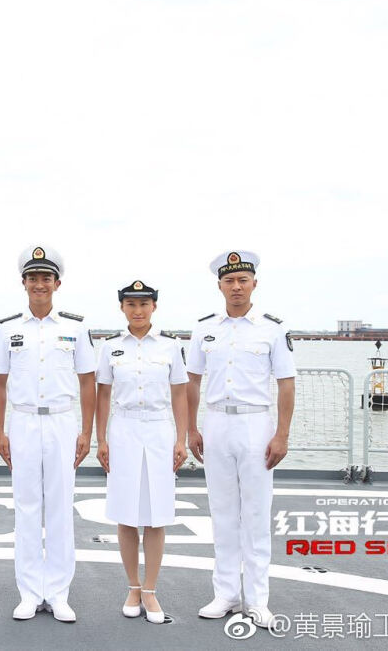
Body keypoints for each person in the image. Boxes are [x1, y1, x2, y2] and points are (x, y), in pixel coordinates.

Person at [186, 250, 295, 629]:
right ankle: (226, 593)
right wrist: (190, 429)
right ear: (219, 285)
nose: (236, 287)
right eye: (229, 281)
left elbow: (286, 384)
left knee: (255, 514)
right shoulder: (204, 328)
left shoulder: (272, 329)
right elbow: (192, 382)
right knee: (222, 513)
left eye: (243, 280)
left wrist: (281, 434)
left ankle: (258, 599)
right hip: (216, 424)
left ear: (254, 284)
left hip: (254, 425)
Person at [0, 244, 97, 623]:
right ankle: (30, 592)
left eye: (46, 278)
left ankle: (58, 592)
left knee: (59, 507)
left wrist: (87, 431)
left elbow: (88, 382)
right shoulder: (7, 330)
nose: (40, 284)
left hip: (61, 422)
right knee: (26, 507)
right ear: (24, 283)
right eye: (33, 278)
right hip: (22, 422)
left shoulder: (75, 328)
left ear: (57, 283)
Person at [95, 280, 188, 624]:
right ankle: (132, 586)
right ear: (122, 308)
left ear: (154, 307)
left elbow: (179, 393)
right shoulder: (109, 348)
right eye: (131, 304)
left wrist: (182, 439)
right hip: (124, 429)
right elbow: (103, 394)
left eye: (143, 304)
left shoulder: (170, 346)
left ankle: (150, 589)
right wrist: (100, 439)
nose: (137, 310)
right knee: (126, 513)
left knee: (156, 513)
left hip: (160, 429)